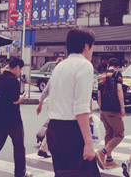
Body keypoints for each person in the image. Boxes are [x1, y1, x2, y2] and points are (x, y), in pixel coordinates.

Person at [46, 27, 100, 175]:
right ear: (86, 46)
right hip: (71, 131)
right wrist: (89, 143)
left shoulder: (60, 66)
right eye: (92, 47)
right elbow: (81, 108)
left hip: (54, 129)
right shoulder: (84, 65)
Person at [0, 57, 31, 177]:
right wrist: (21, 98)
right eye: (20, 70)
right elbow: (14, 100)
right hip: (13, 121)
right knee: (19, 147)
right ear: (17, 67)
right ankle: (20, 173)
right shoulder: (13, 81)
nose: (20, 72)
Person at [96, 57, 125, 169]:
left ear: (108, 65)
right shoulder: (117, 73)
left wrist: (100, 110)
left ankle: (109, 160)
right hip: (113, 109)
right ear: (117, 66)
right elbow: (119, 90)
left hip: (103, 109)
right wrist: (122, 106)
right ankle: (102, 152)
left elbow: (99, 94)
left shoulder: (101, 75)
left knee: (109, 133)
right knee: (119, 134)